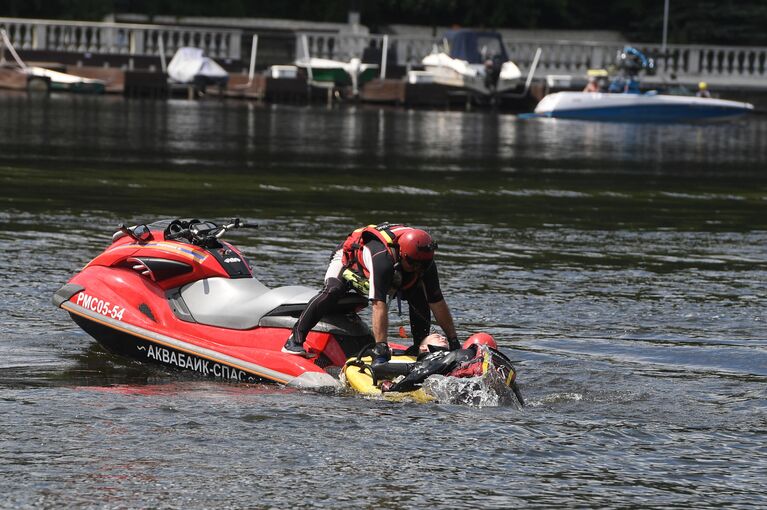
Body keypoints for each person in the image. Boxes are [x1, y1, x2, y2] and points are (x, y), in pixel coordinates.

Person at [282, 223, 459, 361]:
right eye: (413, 264)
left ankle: (418, 347)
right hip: (349, 261)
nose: (417, 268)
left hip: (393, 269)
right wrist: (381, 347)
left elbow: (437, 302)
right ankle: (294, 339)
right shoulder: (382, 259)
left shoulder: (423, 261)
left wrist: (453, 341)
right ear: (402, 254)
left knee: (420, 294)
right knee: (333, 290)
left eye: (423, 265)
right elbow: (378, 304)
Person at [377, 332, 517, 394]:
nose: (443, 337)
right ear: (423, 348)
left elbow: (422, 373)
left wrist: (395, 388)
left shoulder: (453, 355)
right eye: (437, 337)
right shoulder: (465, 355)